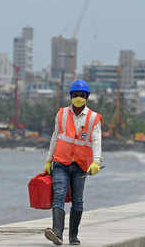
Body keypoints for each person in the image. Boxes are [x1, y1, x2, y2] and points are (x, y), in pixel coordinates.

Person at [43, 79, 102, 245]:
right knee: (59, 195)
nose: (78, 98)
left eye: (81, 95)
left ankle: (73, 236)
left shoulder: (93, 118)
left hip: (81, 166)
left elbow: (97, 140)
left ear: (87, 97)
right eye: (75, 95)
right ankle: (57, 233)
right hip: (61, 162)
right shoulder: (61, 114)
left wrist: (96, 162)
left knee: (77, 201)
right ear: (70, 96)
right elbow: (55, 137)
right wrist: (48, 160)